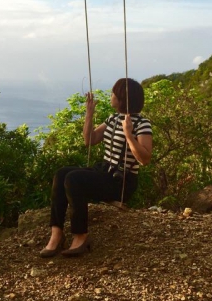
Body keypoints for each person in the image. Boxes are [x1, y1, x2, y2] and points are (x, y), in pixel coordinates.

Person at [40, 78, 153, 257]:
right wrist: (89, 114)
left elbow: (145, 159)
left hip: (122, 180)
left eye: (114, 93)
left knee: (74, 179)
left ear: (123, 98)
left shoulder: (141, 123)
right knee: (62, 174)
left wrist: (129, 135)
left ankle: (81, 236)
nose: (111, 95)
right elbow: (89, 140)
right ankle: (57, 233)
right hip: (105, 171)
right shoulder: (113, 119)